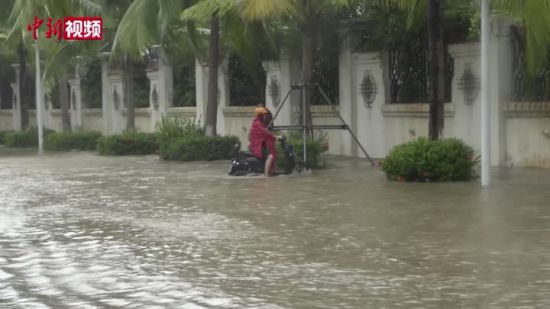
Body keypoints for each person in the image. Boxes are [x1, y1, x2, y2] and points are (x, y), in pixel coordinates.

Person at [249, 106, 279, 176]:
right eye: (264, 114)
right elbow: (265, 133)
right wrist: (276, 137)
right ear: (261, 115)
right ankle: (266, 174)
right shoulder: (257, 123)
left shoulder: (258, 122)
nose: (265, 116)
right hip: (257, 146)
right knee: (270, 156)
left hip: (260, 145)